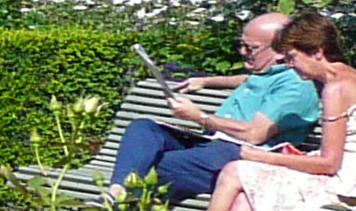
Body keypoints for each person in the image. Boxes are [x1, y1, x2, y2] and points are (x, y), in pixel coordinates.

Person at [183, 14, 356, 211]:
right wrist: (206, 81)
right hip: (343, 170)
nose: (288, 65)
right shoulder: (339, 76)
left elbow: (329, 163)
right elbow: (254, 79)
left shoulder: (336, 89)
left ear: (317, 52)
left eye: (291, 57)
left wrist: (263, 157)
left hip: (345, 182)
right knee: (248, 191)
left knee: (237, 170)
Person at [108, 12, 321, 199]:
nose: (243, 51)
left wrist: (200, 117)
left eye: (251, 48)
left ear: (281, 52)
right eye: (242, 45)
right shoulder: (269, 74)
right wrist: (206, 81)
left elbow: (255, 134)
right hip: (212, 145)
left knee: (161, 165)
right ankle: (116, 194)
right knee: (144, 128)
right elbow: (244, 80)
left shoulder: (296, 85)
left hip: (242, 156)